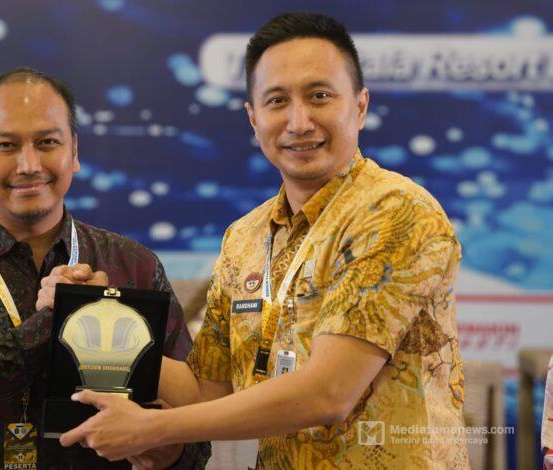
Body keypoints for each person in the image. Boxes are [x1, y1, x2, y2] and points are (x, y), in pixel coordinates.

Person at [60, 12, 470, 469]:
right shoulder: (245, 237)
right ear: (254, 119)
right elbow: (206, 391)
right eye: (277, 101)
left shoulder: (396, 211)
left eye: (319, 96)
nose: (299, 122)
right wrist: (91, 316)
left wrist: (152, 428)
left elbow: (329, 393)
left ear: (360, 105)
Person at [0, 67, 209, 469]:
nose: (29, 164)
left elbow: (194, 423)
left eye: (48, 142)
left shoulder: (133, 264)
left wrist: (167, 452)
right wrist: (59, 322)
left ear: (74, 152)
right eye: (6, 145)